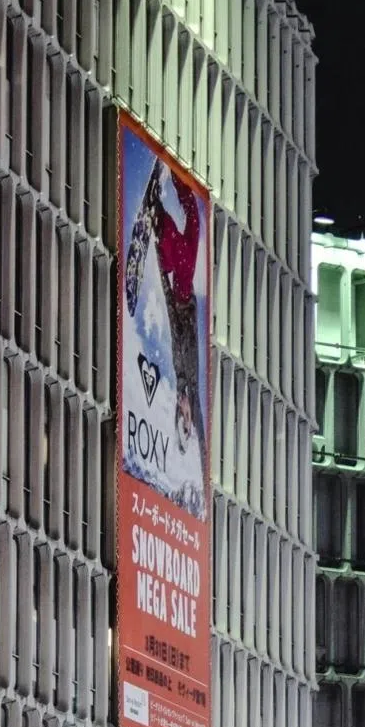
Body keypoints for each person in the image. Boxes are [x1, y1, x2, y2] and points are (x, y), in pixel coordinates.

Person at [146, 168, 207, 492]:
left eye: (182, 419)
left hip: (177, 287)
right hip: (185, 294)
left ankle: (159, 217)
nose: (186, 414)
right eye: (188, 421)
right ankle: (167, 206)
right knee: (192, 230)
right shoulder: (192, 390)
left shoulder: (179, 381)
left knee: (185, 237)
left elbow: (170, 318)